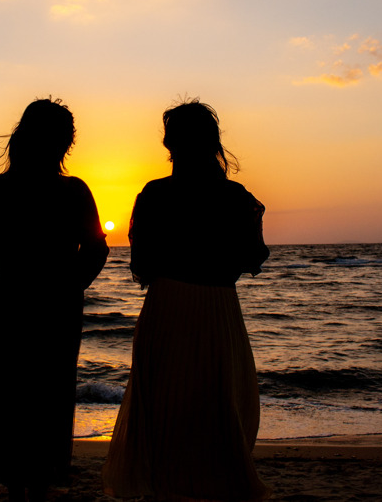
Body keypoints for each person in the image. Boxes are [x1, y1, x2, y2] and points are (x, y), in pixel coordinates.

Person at [102, 100, 270, 501]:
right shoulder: (235, 196)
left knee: (165, 411)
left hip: (167, 306)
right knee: (220, 409)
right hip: (218, 309)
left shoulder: (155, 194)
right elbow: (253, 258)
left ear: (170, 143)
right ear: (213, 143)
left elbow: (141, 263)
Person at [0, 98, 109, 501]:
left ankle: (18, 486)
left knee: (13, 391)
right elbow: (96, 250)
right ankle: (34, 482)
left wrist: (22, 275)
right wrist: (67, 283)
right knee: (45, 394)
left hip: (17, 300)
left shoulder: (1, 187)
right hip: (53, 305)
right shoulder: (72, 190)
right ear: (66, 143)